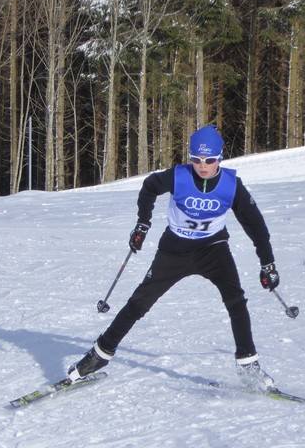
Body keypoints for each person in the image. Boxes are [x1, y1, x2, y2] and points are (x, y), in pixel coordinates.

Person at [68, 125, 280, 391]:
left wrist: (267, 263)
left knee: (236, 301)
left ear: (220, 158)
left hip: (213, 249)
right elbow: (148, 187)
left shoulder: (231, 185)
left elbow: (256, 226)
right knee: (138, 303)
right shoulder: (178, 176)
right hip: (174, 251)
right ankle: (98, 357)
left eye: (210, 160)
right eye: (197, 160)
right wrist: (143, 223)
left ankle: (249, 367)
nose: (203, 166)